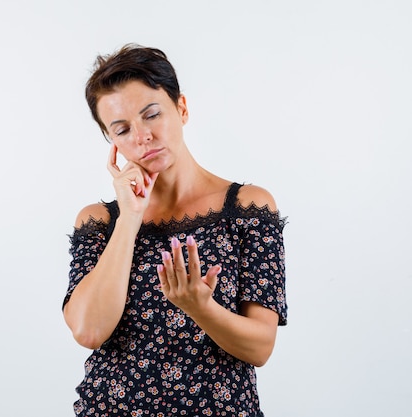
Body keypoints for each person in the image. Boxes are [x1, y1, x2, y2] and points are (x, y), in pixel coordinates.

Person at [62, 44, 287, 417]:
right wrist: (130, 218)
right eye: (121, 130)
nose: (142, 136)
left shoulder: (247, 207)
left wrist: (199, 308)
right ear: (111, 141)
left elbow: (260, 347)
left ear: (181, 108)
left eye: (152, 115)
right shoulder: (99, 222)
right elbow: (88, 330)